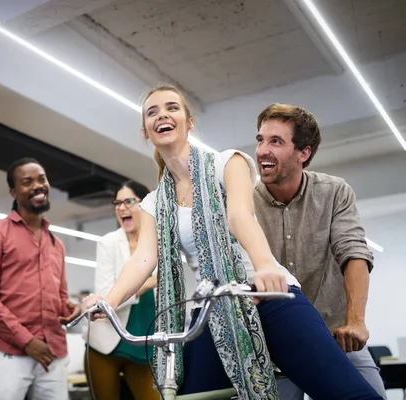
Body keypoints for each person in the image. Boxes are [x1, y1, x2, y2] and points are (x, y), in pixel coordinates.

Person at [82, 84, 382, 400]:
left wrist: (265, 263)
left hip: (267, 295)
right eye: (152, 112)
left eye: (172, 107)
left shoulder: (226, 163)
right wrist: (109, 300)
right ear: (145, 131)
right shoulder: (154, 203)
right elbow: (143, 259)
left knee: (348, 394)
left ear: (189, 121)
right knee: (192, 396)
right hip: (214, 310)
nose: (163, 115)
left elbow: (240, 217)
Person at [253, 103, 386, 399]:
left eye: (276, 141)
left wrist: (356, 321)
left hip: (334, 337)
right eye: (260, 139)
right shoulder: (244, 203)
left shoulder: (334, 192)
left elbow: (353, 253)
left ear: (304, 153)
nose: (262, 150)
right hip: (274, 350)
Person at [0, 157, 81, 400]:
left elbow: (60, 295)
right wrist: (27, 340)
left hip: (52, 354)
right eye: (27, 182)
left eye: (42, 179)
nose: (37, 186)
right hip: (8, 355)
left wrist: (69, 307)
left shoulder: (57, 244)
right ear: (13, 191)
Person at [84, 180, 159, 400]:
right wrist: (149, 282)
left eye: (128, 201)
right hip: (106, 346)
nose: (121, 208)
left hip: (143, 345)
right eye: (117, 203)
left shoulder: (159, 243)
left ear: (145, 205)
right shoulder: (109, 243)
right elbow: (106, 298)